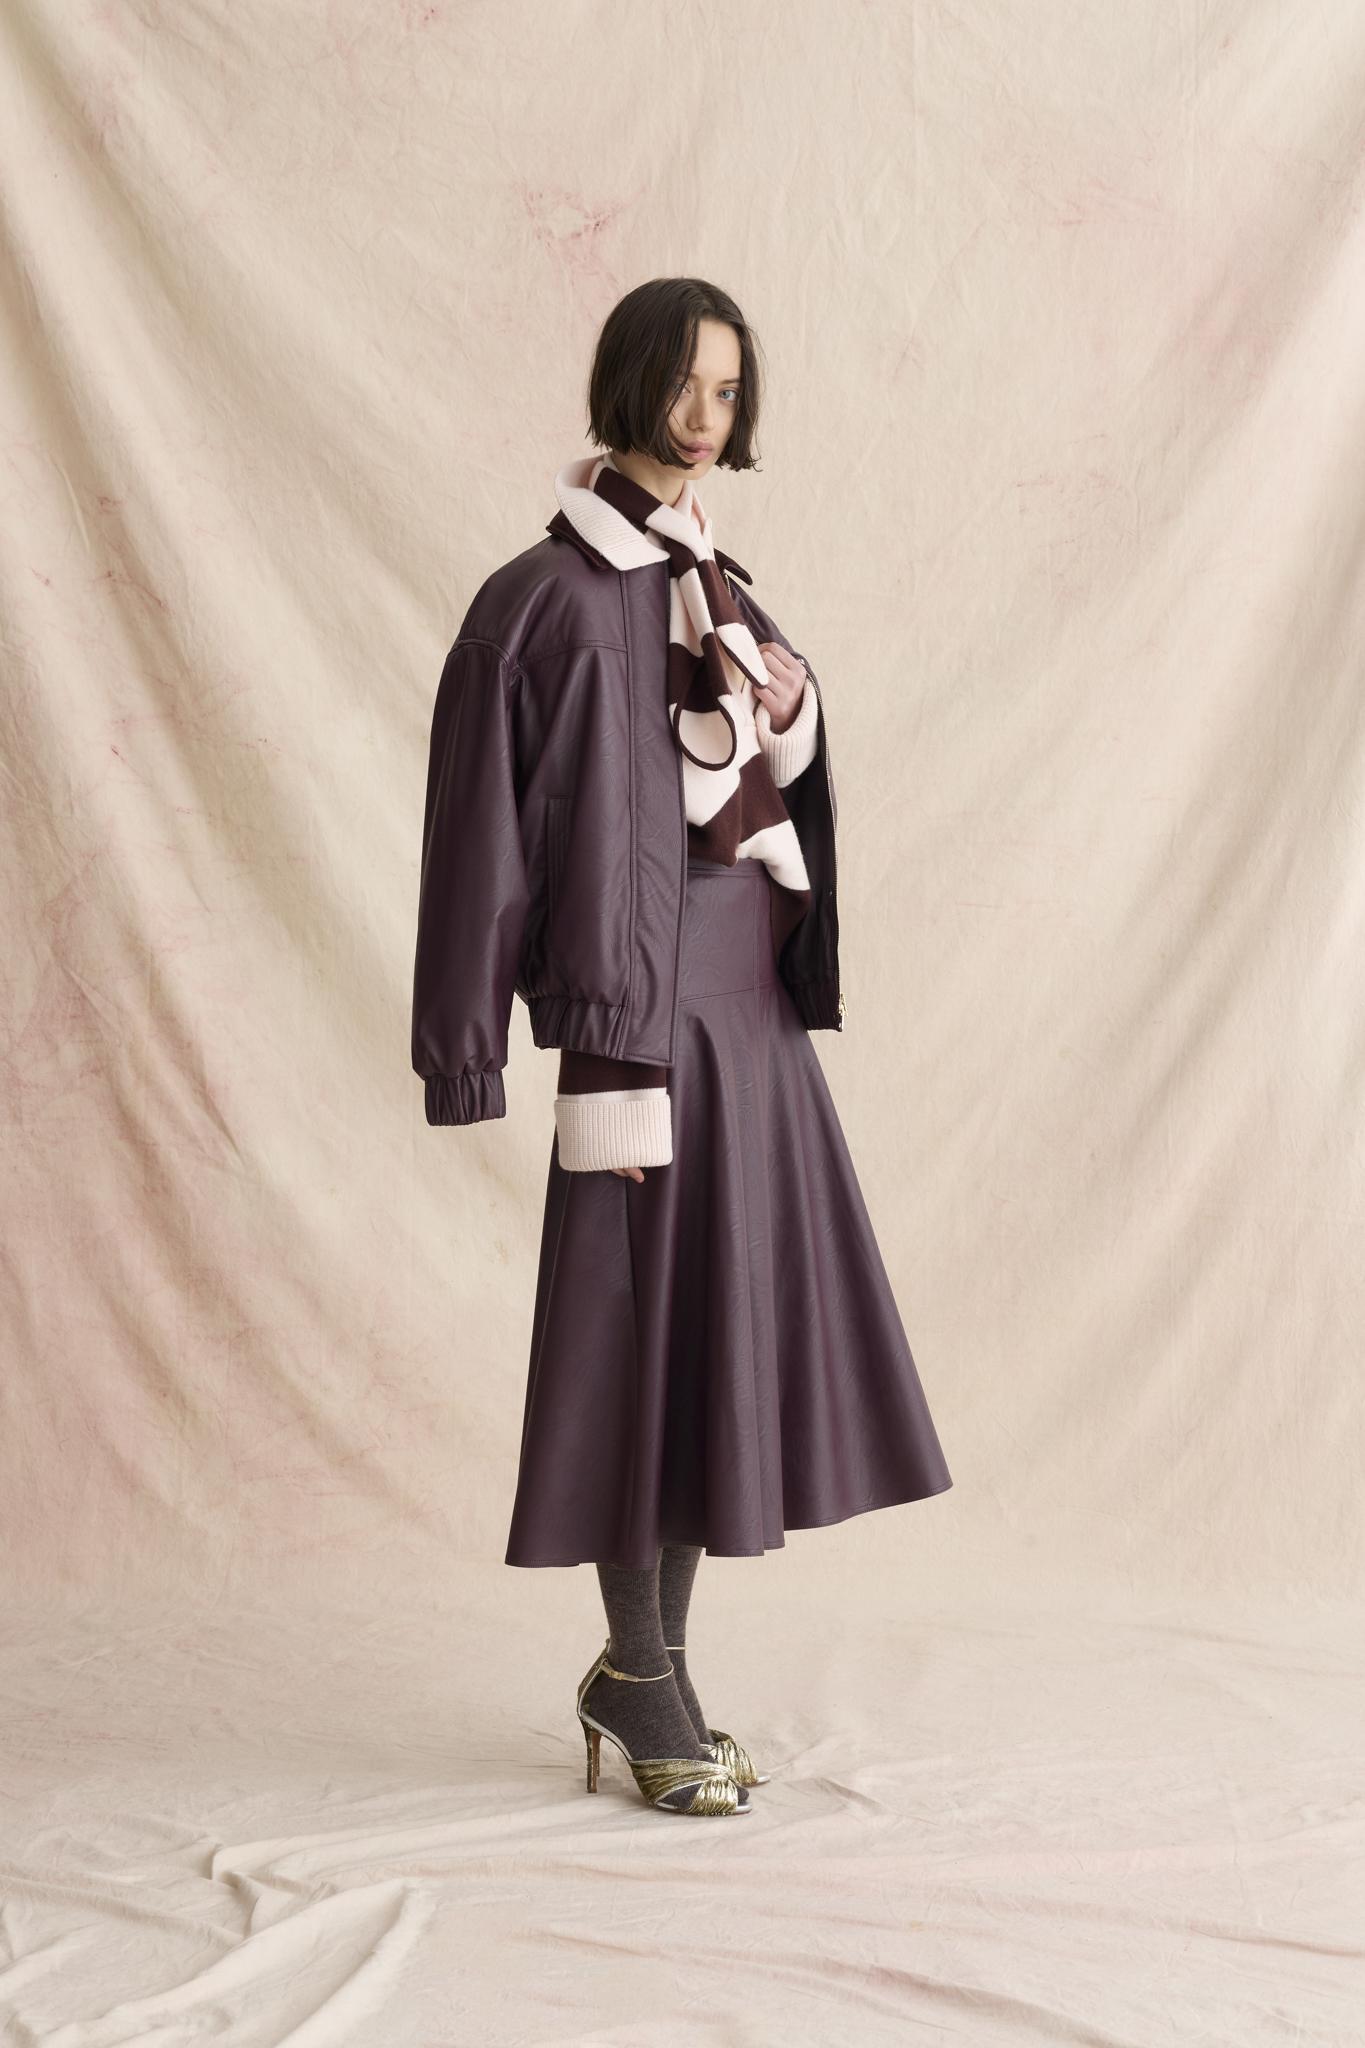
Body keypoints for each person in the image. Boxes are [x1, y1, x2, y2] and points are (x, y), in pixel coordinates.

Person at [411, 277, 953, 1819]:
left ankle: (648, 1672)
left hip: (748, 1018)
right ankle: (642, 1676)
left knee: (709, 1346)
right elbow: (475, 843)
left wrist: (789, 707)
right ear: (627, 383)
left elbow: (768, 785)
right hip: (633, 1030)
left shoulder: (722, 582)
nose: (704, 417)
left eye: (727, 390)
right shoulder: (536, 604)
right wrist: (467, 1050)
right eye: (682, 385)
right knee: (632, 1356)